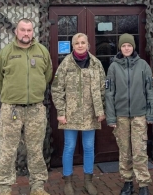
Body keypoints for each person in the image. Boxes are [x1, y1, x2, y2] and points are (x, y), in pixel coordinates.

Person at [0, 19, 53, 195]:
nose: (26, 33)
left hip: (35, 109)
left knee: (36, 149)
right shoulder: (6, 53)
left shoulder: (42, 52)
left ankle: (38, 187)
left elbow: (47, 75)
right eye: (22, 30)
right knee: (8, 150)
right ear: (16, 32)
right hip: (12, 110)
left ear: (33, 32)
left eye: (29, 30)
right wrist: (11, 95)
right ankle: (5, 188)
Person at [51, 33, 106, 195]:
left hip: (91, 113)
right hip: (70, 114)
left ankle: (88, 181)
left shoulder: (96, 64)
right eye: (77, 43)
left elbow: (103, 89)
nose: (80, 45)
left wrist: (101, 110)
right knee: (69, 147)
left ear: (88, 45)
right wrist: (61, 112)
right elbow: (57, 89)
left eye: (83, 43)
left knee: (89, 147)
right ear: (73, 46)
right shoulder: (66, 64)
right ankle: (67, 181)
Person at [105, 34, 153, 195]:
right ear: (119, 48)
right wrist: (111, 116)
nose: (126, 48)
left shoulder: (143, 65)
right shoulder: (113, 67)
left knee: (140, 151)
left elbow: (150, 90)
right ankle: (127, 182)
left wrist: (151, 113)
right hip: (121, 117)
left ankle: (143, 184)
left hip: (139, 115)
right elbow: (109, 93)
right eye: (123, 46)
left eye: (129, 45)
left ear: (133, 47)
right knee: (125, 151)